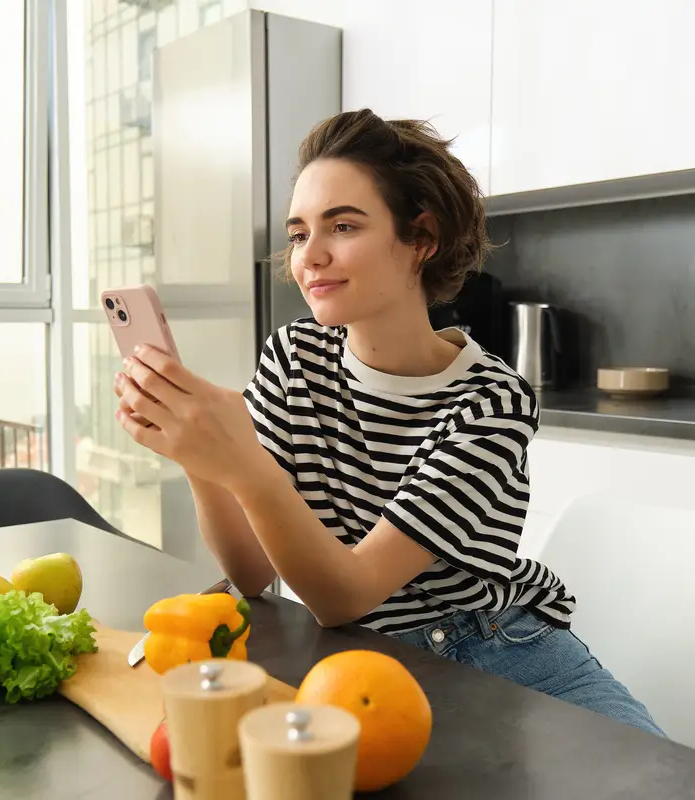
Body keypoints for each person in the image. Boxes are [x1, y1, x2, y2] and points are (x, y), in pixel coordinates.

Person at [113, 108, 663, 736]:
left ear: (421, 238)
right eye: (297, 234)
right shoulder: (294, 359)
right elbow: (251, 573)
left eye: (341, 226)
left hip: (496, 653)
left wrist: (239, 458)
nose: (310, 256)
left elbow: (346, 593)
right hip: (348, 661)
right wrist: (200, 458)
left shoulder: (491, 403)